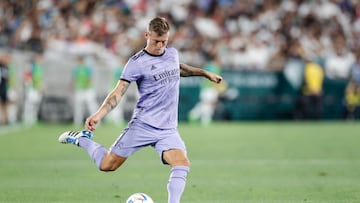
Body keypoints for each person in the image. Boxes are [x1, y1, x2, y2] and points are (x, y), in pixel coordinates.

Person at [58, 16, 223, 203]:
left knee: (182, 163)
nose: (160, 46)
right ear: (147, 35)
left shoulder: (172, 54)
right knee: (106, 165)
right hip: (143, 124)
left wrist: (205, 73)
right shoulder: (136, 63)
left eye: (164, 41)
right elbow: (118, 92)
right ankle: (82, 140)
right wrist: (99, 114)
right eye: (156, 41)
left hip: (167, 129)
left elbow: (179, 69)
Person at [188, 53, 225, 125]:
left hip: (205, 87)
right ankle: (204, 119)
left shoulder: (208, 65)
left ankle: (194, 115)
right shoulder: (215, 67)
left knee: (205, 103)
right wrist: (219, 88)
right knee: (208, 104)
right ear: (216, 59)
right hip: (209, 88)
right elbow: (214, 79)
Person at [72, 55, 98, 125]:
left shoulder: (87, 68)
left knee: (92, 106)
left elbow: (90, 78)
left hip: (88, 89)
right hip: (80, 89)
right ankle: (77, 122)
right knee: (79, 107)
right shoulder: (76, 69)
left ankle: (96, 122)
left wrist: (86, 84)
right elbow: (75, 79)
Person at [22, 53, 44, 125]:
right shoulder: (32, 67)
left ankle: (33, 119)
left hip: (37, 89)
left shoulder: (40, 68)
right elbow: (28, 77)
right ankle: (26, 119)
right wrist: (30, 85)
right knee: (29, 104)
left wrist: (41, 86)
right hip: (32, 88)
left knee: (35, 104)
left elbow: (40, 79)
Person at [0, 53, 9, 125]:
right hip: (1, 87)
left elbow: (8, 78)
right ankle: (2, 119)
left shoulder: (6, 67)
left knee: (5, 104)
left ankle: (6, 119)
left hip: (4, 88)